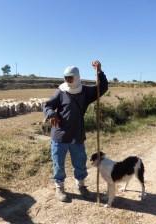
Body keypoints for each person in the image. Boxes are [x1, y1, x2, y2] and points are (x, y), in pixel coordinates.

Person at [43, 60, 108, 202]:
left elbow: (101, 88)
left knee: (80, 162)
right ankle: (59, 188)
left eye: (70, 77)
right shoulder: (61, 92)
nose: (67, 80)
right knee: (58, 163)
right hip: (59, 135)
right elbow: (47, 105)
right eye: (65, 77)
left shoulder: (85, 91)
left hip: (77, 135)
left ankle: (81, 186)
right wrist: (51, 114)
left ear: (77, 77)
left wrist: (99, 71)